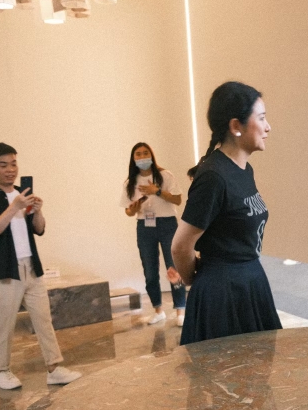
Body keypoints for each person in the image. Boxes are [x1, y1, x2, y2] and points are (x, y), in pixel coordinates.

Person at [172, 81, 282, 343]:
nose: (268, 127)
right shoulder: (213, 177)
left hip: (249, 282)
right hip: (223, 294)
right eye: (261, 118)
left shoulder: (243, 169)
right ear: (235, 126)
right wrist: (195, 280)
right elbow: (180, 246)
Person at [0, 143, 82, 390]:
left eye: (13, 164)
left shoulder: (23, 193)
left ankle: (54, 368)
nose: (10, 169)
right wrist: (15, 207)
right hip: (4, 270)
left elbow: (38, 229)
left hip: (31, 266)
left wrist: (38, 211)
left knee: (44, 319)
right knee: (3, 323)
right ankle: (2, 371)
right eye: (3, 165)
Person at [119, 143, 186, 326]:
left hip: (167, 224)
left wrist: (157, 191)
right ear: (133, 158)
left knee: (174, 268)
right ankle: (158, 310)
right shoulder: (130, 183)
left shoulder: (165, 175)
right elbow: (128, 211)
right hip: (144, 226)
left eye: (145, 153)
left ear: (152, 155)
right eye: (138, 154)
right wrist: (134, 209)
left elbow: (178, 199)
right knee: (149, 271)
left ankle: (180, 310)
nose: (142, 157)